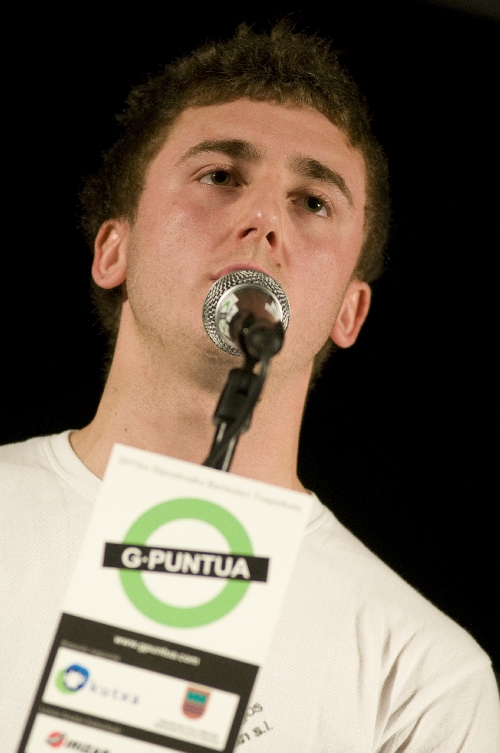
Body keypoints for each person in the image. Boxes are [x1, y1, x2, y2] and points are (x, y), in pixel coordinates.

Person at [1, 22, 498, 752]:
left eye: (313, 201)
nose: (263, 220)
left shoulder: (425, 677)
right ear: (114, 249)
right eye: (221, 176)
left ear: (349, 312)